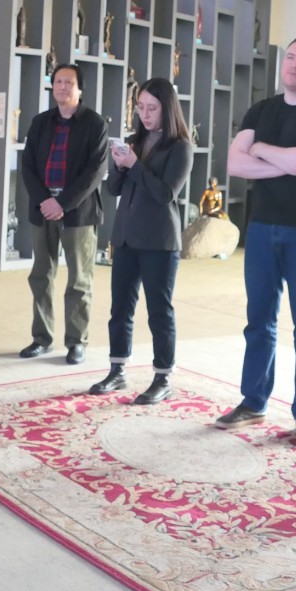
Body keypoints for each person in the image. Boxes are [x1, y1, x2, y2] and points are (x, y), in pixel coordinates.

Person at [215, 37, 296, 445]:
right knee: (259, 320)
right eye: (290, 57)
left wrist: (261, 150)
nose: (294, 64)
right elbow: (235, 164)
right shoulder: (262, 110)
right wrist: (287, 161)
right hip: (262, 227)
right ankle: (253, 401)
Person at [88, 77, 192, 404]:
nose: (144, 115)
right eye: (141, 107)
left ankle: (163, 377)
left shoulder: (181, 148)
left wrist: (134, 165)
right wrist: (120, 165)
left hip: (159, 241)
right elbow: (113, 189)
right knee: (120, 308)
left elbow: (165, 193)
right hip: (126, 237)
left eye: (152, 108)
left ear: (167, 109)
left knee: (159, 310)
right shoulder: (134, 141)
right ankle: (117, 370)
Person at [19, 64, 109, 364]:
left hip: (78, 213)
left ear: (79, 89)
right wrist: (45, 200)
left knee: (79, 280)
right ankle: (41, 338)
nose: (62, 87)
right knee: (40, 276)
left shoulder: (95, 124)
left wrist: (63, 203)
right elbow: (28, 166)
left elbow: (95, 171)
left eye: (68, 82)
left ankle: (76, 341)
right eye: (58, 81)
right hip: (43, 209)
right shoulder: (40, 122)